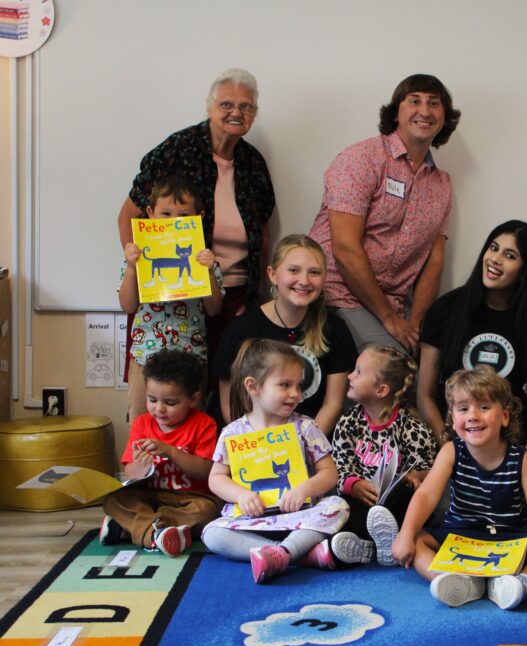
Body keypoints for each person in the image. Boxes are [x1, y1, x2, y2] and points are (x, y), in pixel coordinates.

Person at [118, 68, 275, 352]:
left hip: (233, 298)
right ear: (209, 106)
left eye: (246, 106)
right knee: (169, 393)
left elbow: (262, 233)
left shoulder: (254, 164)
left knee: (229, 387)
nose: (235, 112)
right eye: (226, 104)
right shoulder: (176, 150)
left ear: (254, 113)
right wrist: (143, 277)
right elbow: (128, 216)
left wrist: (257, 295)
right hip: (173, 301)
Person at [309, 74, 461, 352]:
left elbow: (434, 262)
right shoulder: (361, 159)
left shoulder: (442, 185)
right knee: (395, 368)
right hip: (339, 295)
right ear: (396, 112)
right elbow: (344, 248)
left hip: (395, 308)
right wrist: (389, 319)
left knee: (431, 358)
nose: (425, 111)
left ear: (444, 117)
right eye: (414, 101)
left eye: (434, 103)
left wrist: (414, 323)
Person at [391, 367, 527, 610]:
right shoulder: (450, 452)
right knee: (415, 539)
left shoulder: (522, 460)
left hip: (510, 542)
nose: (472, 416)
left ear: (505, 416)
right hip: (461, 537)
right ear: (452, 418)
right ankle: (450, 580)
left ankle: (520, 583)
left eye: (484, 407)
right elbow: (425, 495)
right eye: (463, 409)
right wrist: (405, 534)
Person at [202, 339, 348, 584]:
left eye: (299, 386)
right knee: (212, 534)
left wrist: (304, 489)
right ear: (253, 386)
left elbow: (329, 473)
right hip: (253, 519)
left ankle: (282, 552)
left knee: (338, 507)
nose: (295, 394)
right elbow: (216, 478)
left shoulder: (305, 426)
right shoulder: (233, 432)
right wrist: (241, 496)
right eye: (285, 385)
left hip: (301, 515)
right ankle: (295, 554)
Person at [418, 220, 527, 461]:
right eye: (493, 248)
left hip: (514, 443)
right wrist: (449, 446)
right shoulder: (446, 309)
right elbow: (424, 394)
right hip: (454, 440)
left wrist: (524, 461)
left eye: (510, 255)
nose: (494, 259)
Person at [213, 235, 357, 434]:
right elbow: (231, 406)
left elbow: (332, 405)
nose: (304, 281)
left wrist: (305, 447)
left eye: (314, 272)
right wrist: (261, 448)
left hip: (312, 441)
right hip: (254, 444)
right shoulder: (241, 330)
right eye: (293, 270)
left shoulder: (335, 328)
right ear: (273, 274)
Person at [118, 177, 224, 422]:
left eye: (184, 215)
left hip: (190, 356)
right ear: (150, 213)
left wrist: (208, 271)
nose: (174, 221)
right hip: (146, 356)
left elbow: (214, 308)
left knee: (192, 426)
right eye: (166, 213)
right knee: (141, 423)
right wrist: (133, 269)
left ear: (199, 216)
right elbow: (128, 305)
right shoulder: (139, 257)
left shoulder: (203, 258)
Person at [100, 350, 222, 556]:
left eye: (170, 403)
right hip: (149, 495)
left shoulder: (204, 424)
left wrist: (172, 453)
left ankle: (136, 528)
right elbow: (130, 471)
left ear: (193, 399)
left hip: (189, 498)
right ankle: (162, 532)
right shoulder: (141, 423)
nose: (159, 409)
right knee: (113, 500)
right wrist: (139, 468)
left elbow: (206, 471)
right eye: (152, 400)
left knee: (209, 511)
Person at [330, 346, 438, 566]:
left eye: (358, 372)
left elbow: (434, 469)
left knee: (405, 491)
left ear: (381, 390)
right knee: (340, 515)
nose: (350, 376)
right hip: (363, 499)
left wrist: (416, 475)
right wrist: (354, 484)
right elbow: (339, 466)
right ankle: (370, 546)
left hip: (397, 504)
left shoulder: (410, 426)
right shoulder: (348, 422)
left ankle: (388, 538)